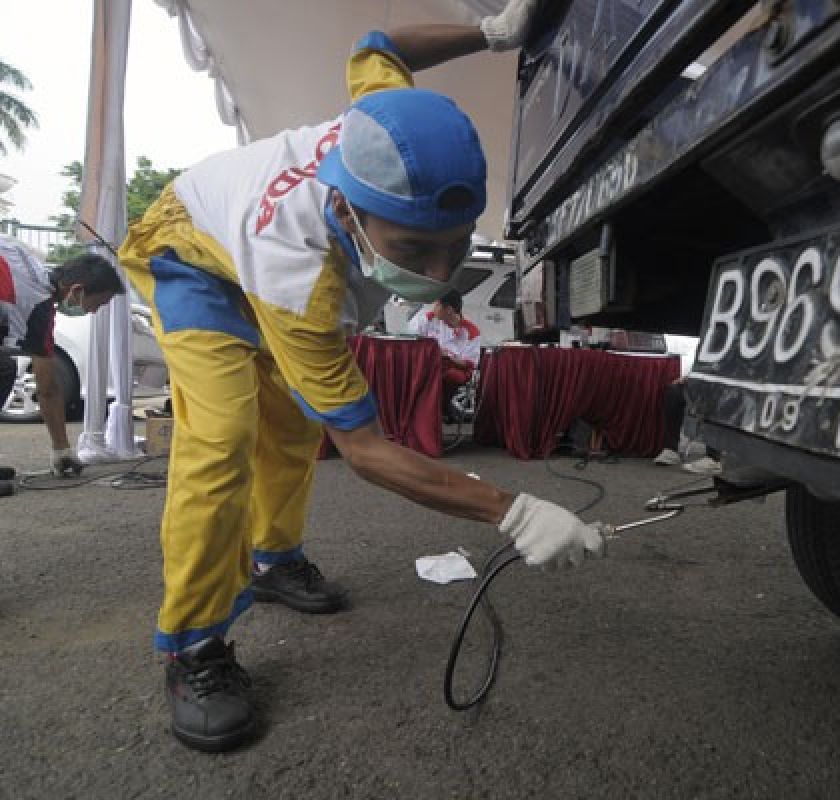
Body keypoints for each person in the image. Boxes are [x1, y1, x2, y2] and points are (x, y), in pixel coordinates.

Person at [117, 0, 604, 753]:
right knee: (223, 439)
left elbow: (378, 43)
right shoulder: (299, 279)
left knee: (290, 423)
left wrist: (494, 33)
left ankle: (275, 561)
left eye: (457, 244)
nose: (443, 275)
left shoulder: (388, 121)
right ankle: (193, 647)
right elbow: (368, 449)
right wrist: (513, 511)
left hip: (252, 251)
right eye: (414, 247)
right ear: (346, 207)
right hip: (189, 257)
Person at [1, 238, 125, 476]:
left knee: (4, 369)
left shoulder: (31, 270)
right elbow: (47, 389)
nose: (94, 311)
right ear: (76, 290)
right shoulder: (35, 304)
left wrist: (62, 448)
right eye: (97, 303)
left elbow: (48, 386)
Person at [411, 288, 481, 408]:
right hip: (428, 363)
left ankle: (438, 408)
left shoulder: (471, 331)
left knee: (448, 375)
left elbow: (469, 364)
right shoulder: (428, 319)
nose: (434, 307)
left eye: (437, 304)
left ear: (448, 309)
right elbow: (411, 340)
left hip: (453, 368)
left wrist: (447, 356)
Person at [654, 377, 722, 476]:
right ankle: (671, 449)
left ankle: (714, 460)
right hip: (710, 379)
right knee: (674, 390)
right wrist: (691, 377)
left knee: (713, 393)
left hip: (734, 384)